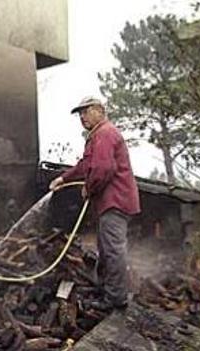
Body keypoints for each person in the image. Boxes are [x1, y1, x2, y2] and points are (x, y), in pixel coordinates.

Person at [49, 96, 140, 311]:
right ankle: (106, 291)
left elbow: (102, 169)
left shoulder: (105, 134)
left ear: (100, 110)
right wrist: (63, 178)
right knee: (106, 249)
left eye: (86, 111)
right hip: (110, 203)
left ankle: (115, 299)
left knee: (113, 250)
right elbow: (86, 165)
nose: (82, 117)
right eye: (79, 114)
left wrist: (88, 188)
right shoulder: (98, 135)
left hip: (114, 201)